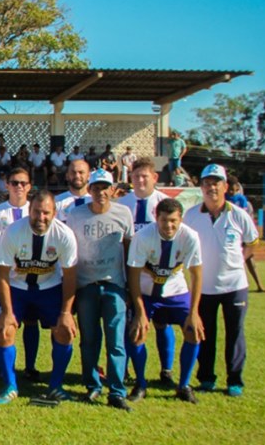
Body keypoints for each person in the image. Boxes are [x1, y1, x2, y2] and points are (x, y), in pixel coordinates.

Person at [0, 190, 78, 406]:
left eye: (46, 213)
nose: (41, 218)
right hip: (18, 287)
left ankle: (55, 386)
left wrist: (66, 313)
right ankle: (10, 385)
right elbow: (2, 273)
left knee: (65, 332)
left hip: (50, 287)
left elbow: (70, 276)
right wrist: (6, 312)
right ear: (29, 210)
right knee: (5, 331)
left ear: (55, 212)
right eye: (36, 212)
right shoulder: (13, 231)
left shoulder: (64, 234)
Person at [183, 164, 258, 397]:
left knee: (235, 333)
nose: (211, 187)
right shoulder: (192, 215)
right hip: (204, 287)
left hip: (235, 286)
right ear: (201, 187)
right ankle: (206, 377)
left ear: (225, 186)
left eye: (216, 183)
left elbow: (252, 241)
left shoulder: (238, 214)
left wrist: (238, 260)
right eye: (207, 183)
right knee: (206, 333)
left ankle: (234, 380)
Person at [65, 169, 134, 411]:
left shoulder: (123, 213)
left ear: (112, 190)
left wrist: (128, 288)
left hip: (114, 285)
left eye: (105, 187)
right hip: (86, 286)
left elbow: (129, 252)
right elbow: (70, 255)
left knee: (116, 342)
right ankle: (92, 386)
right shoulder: (76, 215)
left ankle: (116, 390)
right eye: (96, 188)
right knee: (89, 340)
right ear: (89, 190)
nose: (100, 192)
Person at [126, 198, 204, 404]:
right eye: (164, 220)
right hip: (146, 293)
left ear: (180, 220)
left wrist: (194, 313)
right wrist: (140, 313)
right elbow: (133, 276)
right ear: (156, 218)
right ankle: (140, 384)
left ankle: (183, 385)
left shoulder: (190, 237)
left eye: (173, 221)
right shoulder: (142, 237)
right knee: (137, 332)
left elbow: (196, 275)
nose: (168, 226)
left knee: (194, 332)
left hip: (175, 292)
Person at [115, 158, 177, 384]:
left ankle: (166, 370)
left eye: (145, 176)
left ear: (155, 178)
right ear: (130, 178)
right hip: (131, 277)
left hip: (160, 277)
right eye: (136, 176)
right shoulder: (122, 204)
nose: (140, 180)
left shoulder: (166, 203)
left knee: (163, 323)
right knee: (131, 324)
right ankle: (128, 371)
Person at [0, 168, 40, 380]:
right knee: (0, 321)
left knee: (31, 322)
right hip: (3, 279)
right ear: (6, 184)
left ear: (29, 186)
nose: (19, 187)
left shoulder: (35, 211)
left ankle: (30, 366)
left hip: (31, 278)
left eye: (23, 183)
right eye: (14, 182)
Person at [225, 176, 264, 292]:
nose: (231, 192)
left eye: (233, 189)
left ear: (237, 187)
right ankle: (228, 286)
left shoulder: (242, 200)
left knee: (249, 258)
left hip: (240, 233)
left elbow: (245, 216)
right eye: (229, 189)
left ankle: (259, 285)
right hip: (227, 233)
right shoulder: (223, 198)